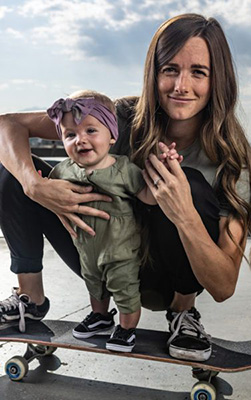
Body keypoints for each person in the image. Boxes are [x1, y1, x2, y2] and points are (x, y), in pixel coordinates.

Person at [0, 13, 251, 362]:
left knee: (188, 181)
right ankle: (30, 299)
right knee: (12, 175)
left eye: (198, 72)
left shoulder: (232, 162)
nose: (181, 86)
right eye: (170, 70)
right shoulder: (121, 117)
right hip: (101, 256)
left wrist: (184, 212)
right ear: (153, 73)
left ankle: (184, 314)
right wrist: (35, 186)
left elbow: (223, 286)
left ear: (217, 80)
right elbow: (6, 125)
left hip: (167, 278)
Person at [45, 90, 181, 353]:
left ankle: (126, 329)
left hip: (120, 250)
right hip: (86, 248)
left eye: (91, 131)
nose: (80, 140)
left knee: (124, 289)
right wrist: (40, 185)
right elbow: (49, 190)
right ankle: (100, 317)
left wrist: (165, 171)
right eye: (70, 135)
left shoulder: (123, 168)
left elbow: (148, 197)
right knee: (93, 284)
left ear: (112, 135)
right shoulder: (63, 170)